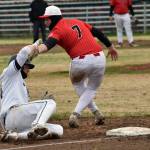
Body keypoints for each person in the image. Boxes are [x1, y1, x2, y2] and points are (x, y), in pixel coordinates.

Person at [37, 5, 118, 128]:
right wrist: (110, 46)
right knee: (91, 89)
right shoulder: (77, 21)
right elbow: (97, 32)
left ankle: (76, 114)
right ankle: (97, 114)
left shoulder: (57, 29)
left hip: (80, 61)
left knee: (78, 84)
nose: (45, 21)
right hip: (100, 58)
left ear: (54, 18)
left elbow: (47, 45)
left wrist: (34, 50)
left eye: (47, 19)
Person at [0, 40, 63, 142]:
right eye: (26, 66)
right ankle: (38, 125)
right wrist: (35, 46)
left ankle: (16, 136)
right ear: (19, 66)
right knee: (50, 102)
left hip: (14, 122)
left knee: (58, 130)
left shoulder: (15, 83)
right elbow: (24, 52)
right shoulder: (10, 73)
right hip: (12, 115)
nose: (28, 69)